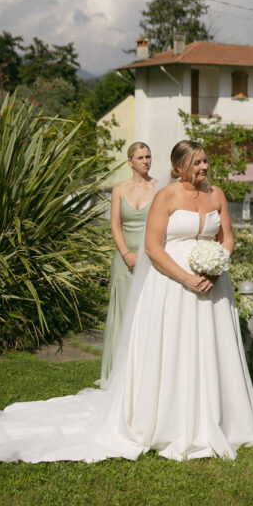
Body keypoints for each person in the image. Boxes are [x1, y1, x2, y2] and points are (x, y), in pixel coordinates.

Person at [0, 140, 253, 463]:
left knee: (211, 348)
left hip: (215, 288)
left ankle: (219, 416)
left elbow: (227, 237)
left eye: (205, 162)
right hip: (174, 287)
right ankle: (171, 420)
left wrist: (218, 265)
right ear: (178, 168)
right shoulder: (165, 197)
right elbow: (152, 248)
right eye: (196, 164)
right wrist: (188, 278)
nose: (203, 168)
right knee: (176, 348)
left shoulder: (216, 194)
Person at [100, 142, 158, 386]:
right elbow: (115, 225)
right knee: (123, 315)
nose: (146, 161)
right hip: (124, 260)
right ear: (130, 161)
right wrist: (126, 254)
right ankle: (118, 376)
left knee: (148, 314)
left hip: (151, 259)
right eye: (140, 157)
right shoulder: (118, 189)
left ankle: (145, 376)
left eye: (148, 156)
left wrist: (145, 256)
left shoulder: (159, 188)